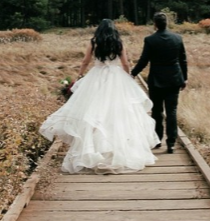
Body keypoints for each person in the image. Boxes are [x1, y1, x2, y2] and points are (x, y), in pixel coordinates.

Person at [40, 19, 160, 173]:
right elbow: (125, 63)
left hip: (96, 77)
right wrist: (128, 76)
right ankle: (118, 149)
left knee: (94, 110)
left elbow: (85, 60)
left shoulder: (94, 42)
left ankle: (94, 149)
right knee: (118, 112)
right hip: (115, 78)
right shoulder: (118, 42)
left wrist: (80, 75)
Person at [131, 12, 187, 154]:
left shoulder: (150, 40)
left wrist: (133, 73)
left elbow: (144, 60)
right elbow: (183, 60)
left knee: (156, 111)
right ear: (166, 23)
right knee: (172, 111)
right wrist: (184, 78)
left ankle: (157, 139)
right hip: (174, 79)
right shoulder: (177, 38)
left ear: (155, 24)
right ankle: (171, 143)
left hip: (156, 80)